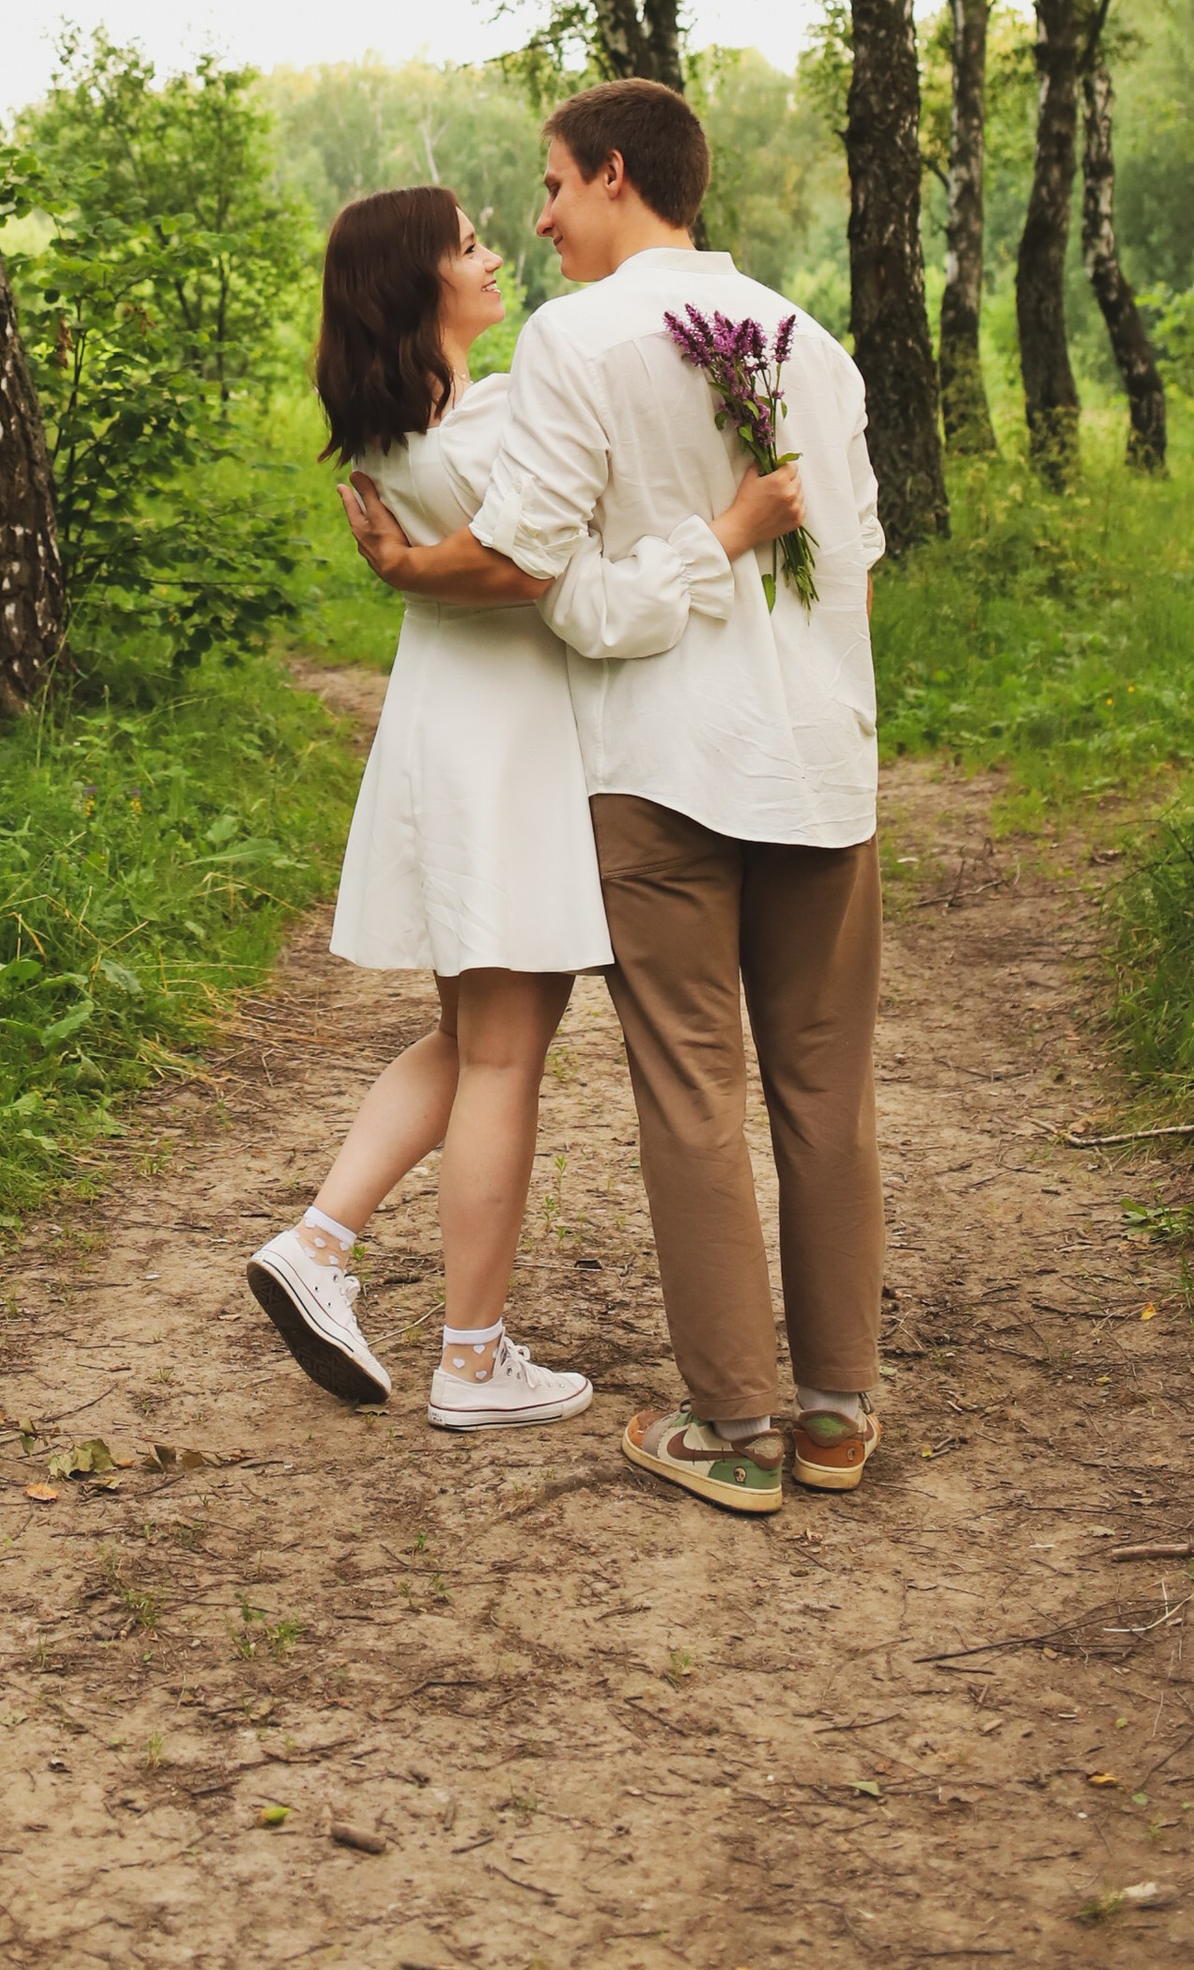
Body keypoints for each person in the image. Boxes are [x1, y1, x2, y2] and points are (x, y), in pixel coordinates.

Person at [346, 78, 883, 1520]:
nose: (537, 219)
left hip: (663, 767)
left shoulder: (573, 338)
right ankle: (838, 1414)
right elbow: (858, 553)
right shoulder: (812, 343)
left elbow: (536, 572)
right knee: (826, 1088)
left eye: (551, 183)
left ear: (615, 173)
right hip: (821, 759)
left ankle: (736, 1427)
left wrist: (410, 569)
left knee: (693, 1089)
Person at [247, 181, 806, 1435]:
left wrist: (418, 566)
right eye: (467, 246)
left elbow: (503, 561)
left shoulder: (407, 433)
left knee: (467, 1037)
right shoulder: (487, 431)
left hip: (452, 736)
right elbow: (581, 585)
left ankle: (320, 1243)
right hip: (505, 749)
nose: (495, 255)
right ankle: (465, 1351)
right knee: (502, 1051)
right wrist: (730, 527)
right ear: (418, 285)